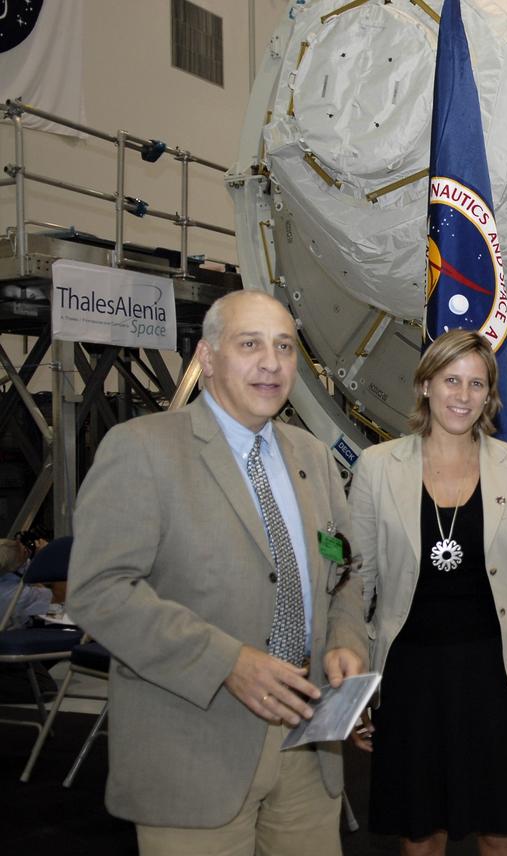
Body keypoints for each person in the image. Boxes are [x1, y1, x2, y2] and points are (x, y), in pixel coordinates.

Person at [66, 290, 367, 855]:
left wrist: (348, 640)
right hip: (193, 745)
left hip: (307, 748)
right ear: (207, 356)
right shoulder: (143, 450)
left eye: (283, 347)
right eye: (249, 344)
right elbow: (99, 591)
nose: (271, 363)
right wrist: (227, 663)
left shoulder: (314, 457)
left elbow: (346, 569)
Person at [348, 328, 507, 856]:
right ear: (425, 385)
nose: (463, 396)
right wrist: (353, 690)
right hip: (409, 679)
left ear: (490, 396)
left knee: (501, 831)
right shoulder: (378, 468)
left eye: (476, 384)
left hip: (496, 677)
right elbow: (355, 585)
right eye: (451, 380)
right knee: (420, 834)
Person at [0, 536, 53, 629]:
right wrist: (45, 558)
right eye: (25, 552)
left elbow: (22, 568)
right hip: (13, 637)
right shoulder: (21, 594)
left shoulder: (7, 568)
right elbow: (57, 599)